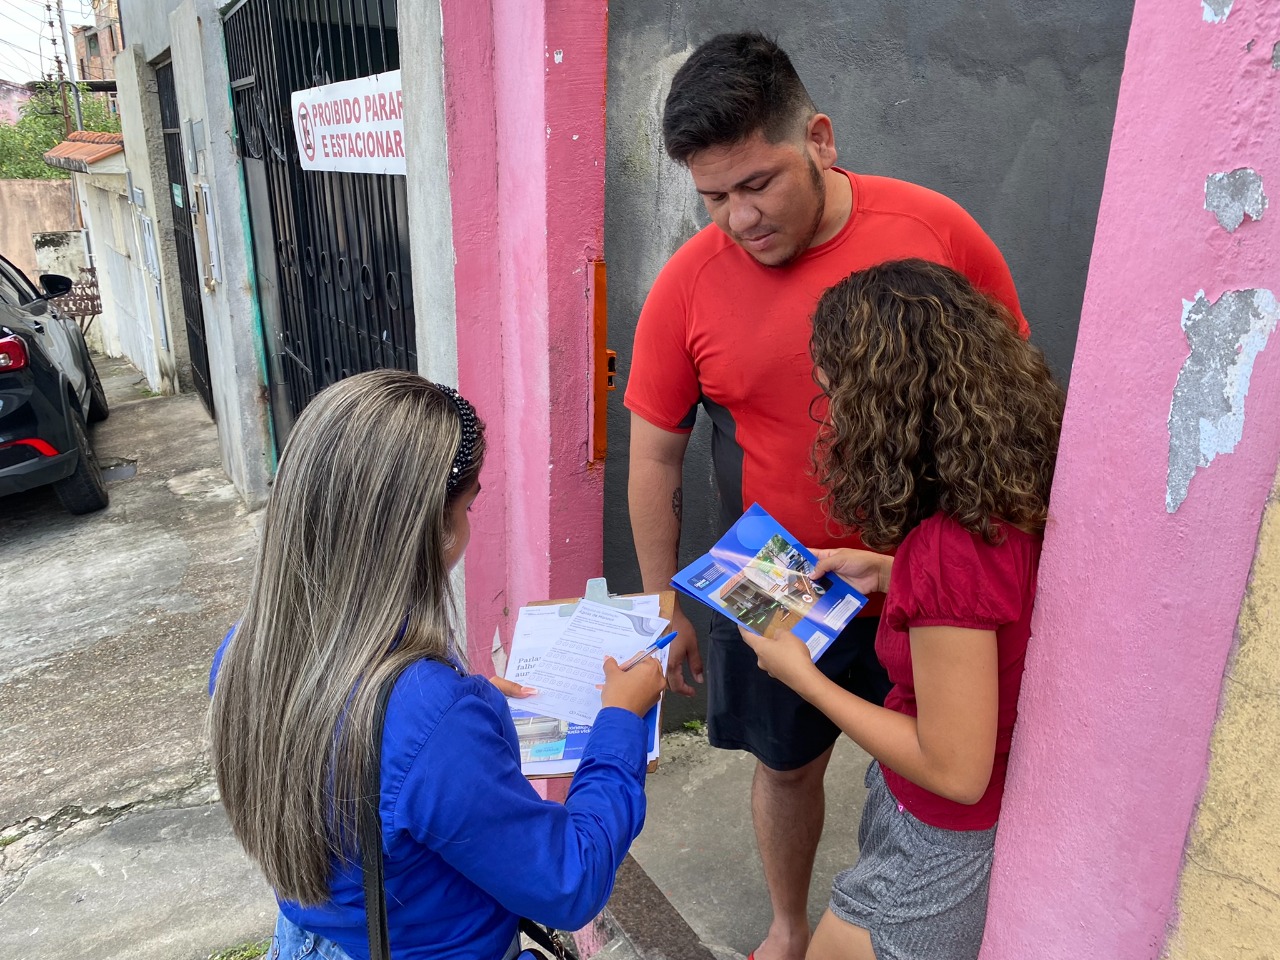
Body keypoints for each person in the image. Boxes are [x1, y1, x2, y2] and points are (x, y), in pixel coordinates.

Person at [625, 31, 1028, 960]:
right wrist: (662, 605)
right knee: (785, 764)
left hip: (929, 586)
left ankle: (901, 914)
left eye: (757, 183)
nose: (739, 218)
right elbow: (654, 459)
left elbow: (1009, 391)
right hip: (781, 576)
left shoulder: (935, 232)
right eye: (713, 197)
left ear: (819, 139)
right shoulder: (688, 284)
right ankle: (788, 925)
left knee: (930, 776)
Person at [207, 371, 666, 960]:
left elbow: (360, 759)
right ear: (430, 531)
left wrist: (463, 710)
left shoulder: (246, 650)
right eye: (469, 505)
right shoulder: (427, 715)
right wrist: (621, 722)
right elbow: (569, 879)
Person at [739, 259, 1064, 960]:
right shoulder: (1012, 492)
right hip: (962, 828)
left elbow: (954, 770)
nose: (832, 418)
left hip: (938, 848)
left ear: (883, 406)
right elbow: (994, 608)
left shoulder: (947, 547)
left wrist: (804, 679)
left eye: (836, 397)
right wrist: (889, 572)